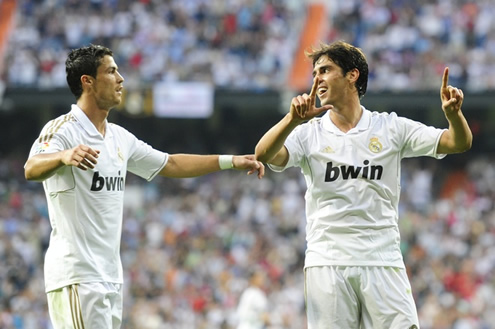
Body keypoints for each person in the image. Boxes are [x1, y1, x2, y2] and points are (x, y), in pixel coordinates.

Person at [24, 44, 265, 329]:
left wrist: (231, 161)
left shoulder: (119, 137)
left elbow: (170, 164)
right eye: (111, 71)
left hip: (110, 276)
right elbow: (32, 167)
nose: (121, 78)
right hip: (78, 275)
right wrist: (63, 155)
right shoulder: (63, 129)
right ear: (87, 81)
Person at [254, 41, 472, 329]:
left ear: (352, 75)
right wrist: (291, 121)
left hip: (382, 260)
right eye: (315, 73)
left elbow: (458, 142)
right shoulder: (308, 134)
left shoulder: (391, 128)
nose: (317, 79)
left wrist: (454, 115)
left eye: (326, 70)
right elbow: (263, 154)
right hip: (328, 261)